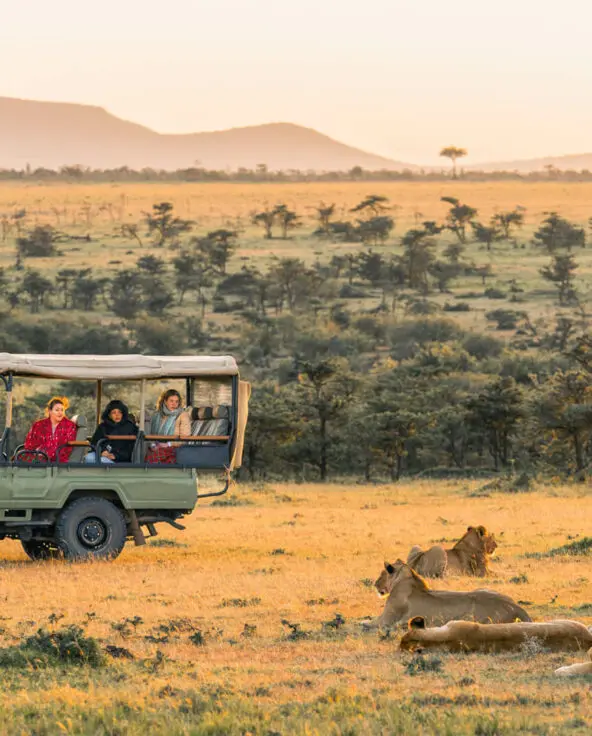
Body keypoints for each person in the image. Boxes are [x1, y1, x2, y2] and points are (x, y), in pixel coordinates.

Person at [23, 396, 76, 463]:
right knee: (20, 458)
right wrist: (38, 452)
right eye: (57, 410)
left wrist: (48, 452)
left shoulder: (70, 426)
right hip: (37, 457)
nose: (60, 413)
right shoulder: (38, 425)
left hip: (59, 460)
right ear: (50, 411)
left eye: (62, 410)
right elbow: (30, 444)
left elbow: (68, 448)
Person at [86, 399, 138, 464]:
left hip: (121, 458)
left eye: (119, 412)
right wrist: (102, 451)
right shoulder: (102, 426)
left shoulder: (130, 427)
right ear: (109, 415)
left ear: (123, 414)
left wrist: (116, 456)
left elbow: (132, 448)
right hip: (103, 454)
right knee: (88, 458)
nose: (117, 415)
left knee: (103, 460)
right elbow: (94, 442)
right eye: (114, 412)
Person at [146, 389, 190, 464]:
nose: (174, 404)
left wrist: (167, 444)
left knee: (152, 458)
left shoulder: (182, 415)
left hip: (174, 448)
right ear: (165, 402)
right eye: (171, 401)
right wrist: (153, 445)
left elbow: (185, 438)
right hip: (157, 446)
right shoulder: (156, 415)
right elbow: (150, 434)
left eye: (176, 401)